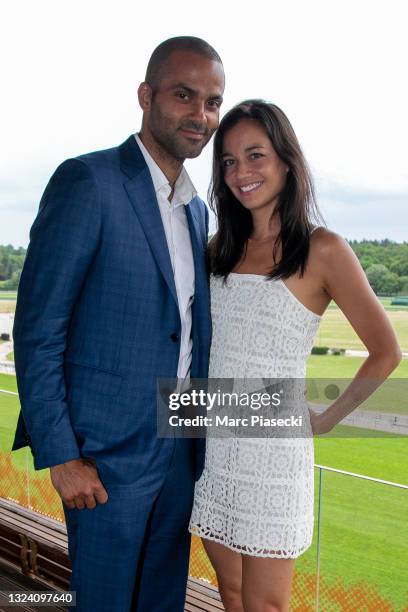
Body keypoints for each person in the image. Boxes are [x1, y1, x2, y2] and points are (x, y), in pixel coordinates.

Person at [11, 36, 225, 611]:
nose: (200, 115)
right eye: (185, 95)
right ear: (145, 95)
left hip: (179, 447)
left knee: (161, 602)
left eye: (212, 102)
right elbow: (38, 330)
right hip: (103, 459)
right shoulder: (88, 182)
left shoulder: (197, 209)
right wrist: (61, 456)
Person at [189, 100, 401, 612]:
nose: (242, 172)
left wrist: (326, 419)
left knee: (267, 605)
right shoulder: (217, 248)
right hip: (213, 447)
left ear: (287, 161)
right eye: (229, 161)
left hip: (273, 456)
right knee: (231, 595)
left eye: (256, 155)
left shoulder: (322, 249)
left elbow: (386, 352)